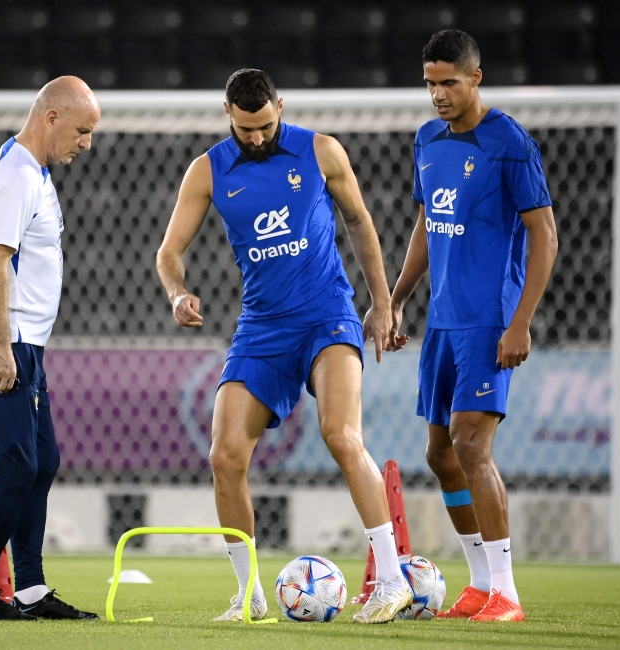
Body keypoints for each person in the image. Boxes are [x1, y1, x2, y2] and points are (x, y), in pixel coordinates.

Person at [156, 69, 412, 624]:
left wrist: (382, 303)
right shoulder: (207, 171)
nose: (255, 137)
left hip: (327, 316)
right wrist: (177, 292)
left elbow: (361, 222)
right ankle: (248, 597)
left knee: (341, 435)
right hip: (262, 327)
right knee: (224, 456)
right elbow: (169, 251)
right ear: (228, 112)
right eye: (245, 128)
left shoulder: (320, 150)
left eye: (265, 125)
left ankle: (392, 581)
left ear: (280, 106)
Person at [387, 30, 558, 622]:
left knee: (470, 443)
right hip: (443, 320)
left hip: (491, 318)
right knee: (439, 452)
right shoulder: (427, 140)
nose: (437, 94)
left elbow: (545, 234)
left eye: (449, 83)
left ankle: (507, 592)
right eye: (430, 83)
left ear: (475, 79)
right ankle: (480, 582)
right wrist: (397, 297)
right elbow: (427, 224)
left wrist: (522, 321)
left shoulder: (508, 142)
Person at [0, 76, 101, 621]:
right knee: (16, 467)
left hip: (26, 343)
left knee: (42, 464)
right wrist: (0, 347)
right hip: (4, 342)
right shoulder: (18, 176)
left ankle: (32, 590)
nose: (86, 143)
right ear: (52, 119)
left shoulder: (32, 170)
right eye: (82, 131)